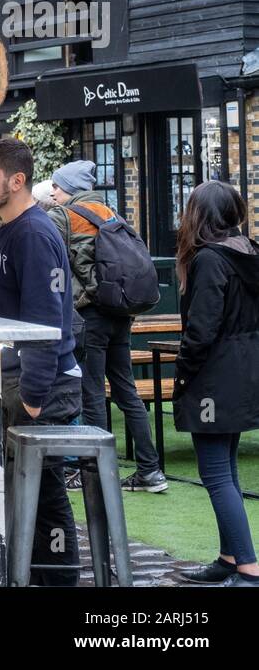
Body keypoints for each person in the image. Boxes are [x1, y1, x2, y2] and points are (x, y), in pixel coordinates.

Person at [0, 137, 82, 586]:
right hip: (23, 379)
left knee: (44, 500)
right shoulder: (9, 228)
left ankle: (59, 582)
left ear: (16, 180)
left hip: (44, 384)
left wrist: (34, 397)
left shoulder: (34, 233)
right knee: (30, 497)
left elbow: (46, 322)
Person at [48, 160, 168, 493]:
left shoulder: (64, 217)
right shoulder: (109, 212)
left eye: (56, 186)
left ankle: (98, 475)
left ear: (69, 187)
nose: (53, 192)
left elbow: (45, 257)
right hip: (120, 312)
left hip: (91, 316)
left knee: (92, 394)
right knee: (126, 391)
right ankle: (150, 471)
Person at [173, 181, 259, 586]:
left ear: (198, 215)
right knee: (226, 469)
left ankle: (246, 566)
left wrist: (184, 371)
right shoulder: (248, 252)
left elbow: (201, 330)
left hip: (213, 376)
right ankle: (229, 558)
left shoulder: (209, 260)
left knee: (217, 473)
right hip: (243, 373)